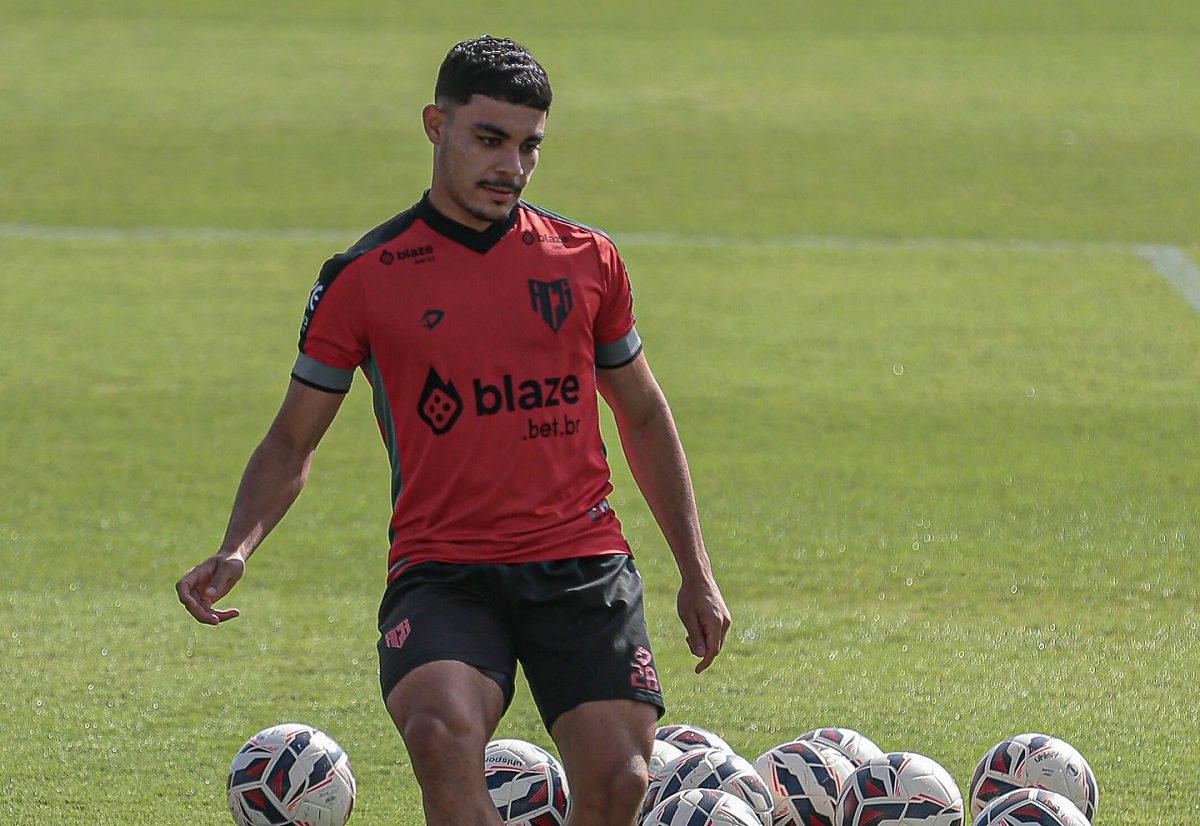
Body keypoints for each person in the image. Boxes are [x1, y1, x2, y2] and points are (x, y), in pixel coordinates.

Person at [176, 34, 730, 826]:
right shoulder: (363, 278)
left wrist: (696, 571)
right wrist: (237, 545)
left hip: (579, 563)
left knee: (620, 778)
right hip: (444, 570)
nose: (513, 166)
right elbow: (292, 440)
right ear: (436, 126)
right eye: (490, 139)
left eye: (530, 146)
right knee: (440, 732)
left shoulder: (586, 260)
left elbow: (642, 414)